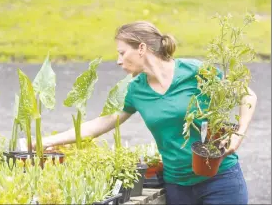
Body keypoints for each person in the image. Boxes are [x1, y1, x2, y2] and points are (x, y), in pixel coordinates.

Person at [36, 21, 257, 204]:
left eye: (122, 53)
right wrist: (45, 141)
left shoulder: (195, 71)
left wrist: (238, 133)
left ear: (141, 48)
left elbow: (247, 96)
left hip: (220, 180)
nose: (118, 60)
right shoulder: (135, 89)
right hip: (178, 187)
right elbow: (100, 124)